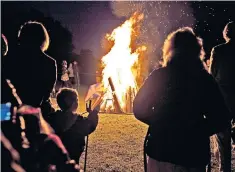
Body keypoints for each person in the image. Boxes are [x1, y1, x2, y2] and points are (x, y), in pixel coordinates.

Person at [133, 27, 231, 172]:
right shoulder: (204, 79)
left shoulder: (160, 75)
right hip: (192, 155)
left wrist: (160, 122)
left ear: (169, 49)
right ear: (197, 51)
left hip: (161, 151)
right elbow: (221, 117)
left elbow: (139, 108)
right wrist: (198, 129)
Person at [4, 21, 57, 117]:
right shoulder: (50, 63)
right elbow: (46, 94)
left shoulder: (12, 58)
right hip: (36, 112)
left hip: (11, 111)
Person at [47, 88, 100, 163]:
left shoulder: (53, 117)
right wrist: (94, 113)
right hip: (73, 157)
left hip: (56, 158)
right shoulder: (78, 121)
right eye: (76, 100)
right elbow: (90, 125)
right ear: (73, 103)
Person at [209, 21, 235, 172]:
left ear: (226, 33)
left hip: (224, 102)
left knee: (223, 145)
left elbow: (212, 77)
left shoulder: (218, 51)